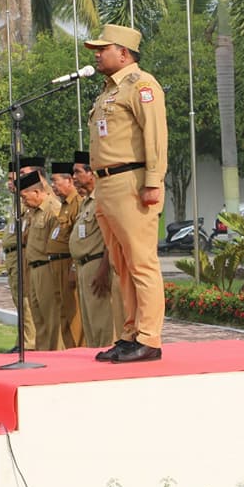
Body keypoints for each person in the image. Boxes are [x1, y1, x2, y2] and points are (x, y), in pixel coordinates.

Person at [85, 24, 167, 363]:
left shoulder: (141, 85)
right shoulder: (108, 90)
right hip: (105, 184)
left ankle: (149, 337)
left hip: (131, 181)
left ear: (124, 52)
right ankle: (130, 334)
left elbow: (155, 136)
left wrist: (153, 181)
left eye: (103, 48)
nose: (97, 54)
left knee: (141, 262)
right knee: (121, 263)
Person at [70, 151, 123, 347]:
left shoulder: (102, 198)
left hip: (97, 265)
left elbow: (111, 237)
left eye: (77, 172)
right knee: (90, 324)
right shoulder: (86, 202)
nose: (74, 177)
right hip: (84, 267)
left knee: (103, 324)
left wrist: (103, 269)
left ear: (91, 173)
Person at [4, 156, 44, 352]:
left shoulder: (35, 201)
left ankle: (29, 343)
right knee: (19, 300)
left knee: (27, 300)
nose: (13, 182)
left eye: (19, 176)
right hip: (13, 256)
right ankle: (23, 340)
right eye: (11, 179)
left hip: (25, 254)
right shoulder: (17, 203)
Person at [19, 171, 62, 350]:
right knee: (39, 318)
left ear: (36, 192)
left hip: (47, 268)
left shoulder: (53, 209)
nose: (23, 201)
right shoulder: (33, 212)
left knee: (52, 318)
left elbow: (56, 244)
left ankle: (56, 356)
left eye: (24, 196)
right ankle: (42, 354)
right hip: (34, 269)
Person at [47, 161, 83, 348]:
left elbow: (77, 240)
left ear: (69, 181)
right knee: (63, 313)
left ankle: (79, 350)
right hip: (56, 265)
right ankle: (69, 351)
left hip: (67, 263)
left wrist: (74, 268)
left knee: (74, 315)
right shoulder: (63, 205)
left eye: (55, 181)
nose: (53, 185)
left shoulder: (78, 203)